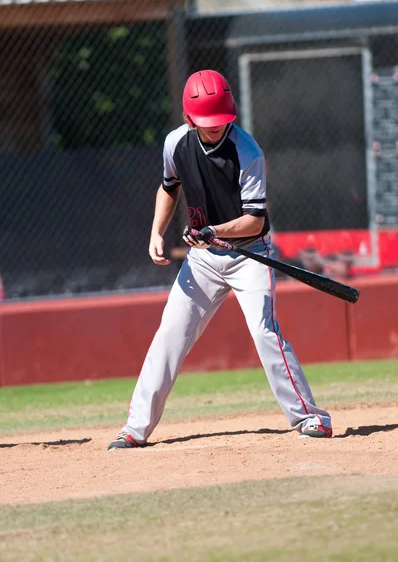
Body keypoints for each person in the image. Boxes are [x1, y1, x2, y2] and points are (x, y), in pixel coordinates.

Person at [108, 69, 332, 450]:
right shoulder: (175, 144)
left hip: (250, 255)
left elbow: (255, 219)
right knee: (170, 334)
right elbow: (169, 188)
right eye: (206, 123)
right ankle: (134, 428)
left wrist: (214, 230)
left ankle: (312, 418)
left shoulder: (248, 151)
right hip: (203, 260)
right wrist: (156, 232)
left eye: (221, 121)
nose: (215, 128)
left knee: (264, 331)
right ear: (189, 118)